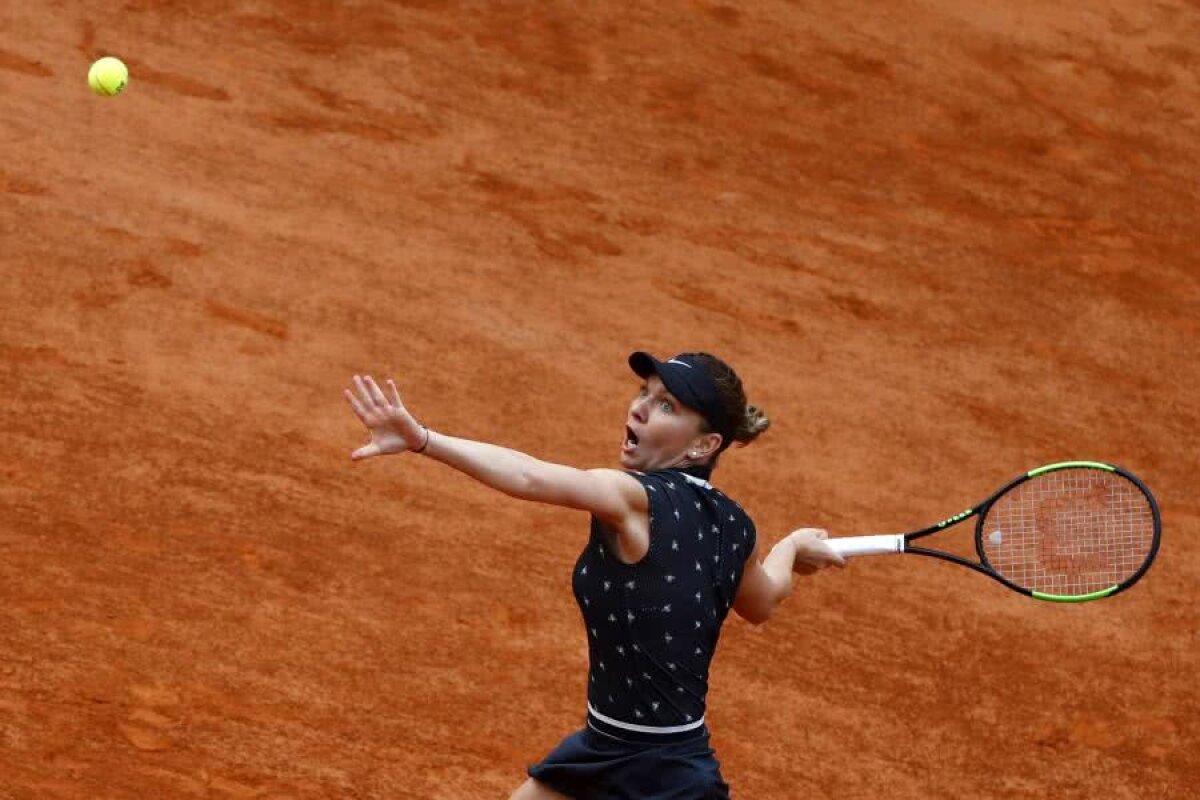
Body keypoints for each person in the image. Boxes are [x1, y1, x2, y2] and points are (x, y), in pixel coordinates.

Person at [345, 351, 845, 799]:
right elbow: (764, 599)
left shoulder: (633, 498)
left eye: (666, 405)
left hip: (669, 780)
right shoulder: (737, 528)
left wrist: (423, 440)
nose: (639, 409)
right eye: (643, 394)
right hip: (606, 749)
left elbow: (528, 475)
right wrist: (792, 547)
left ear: (704, 444)